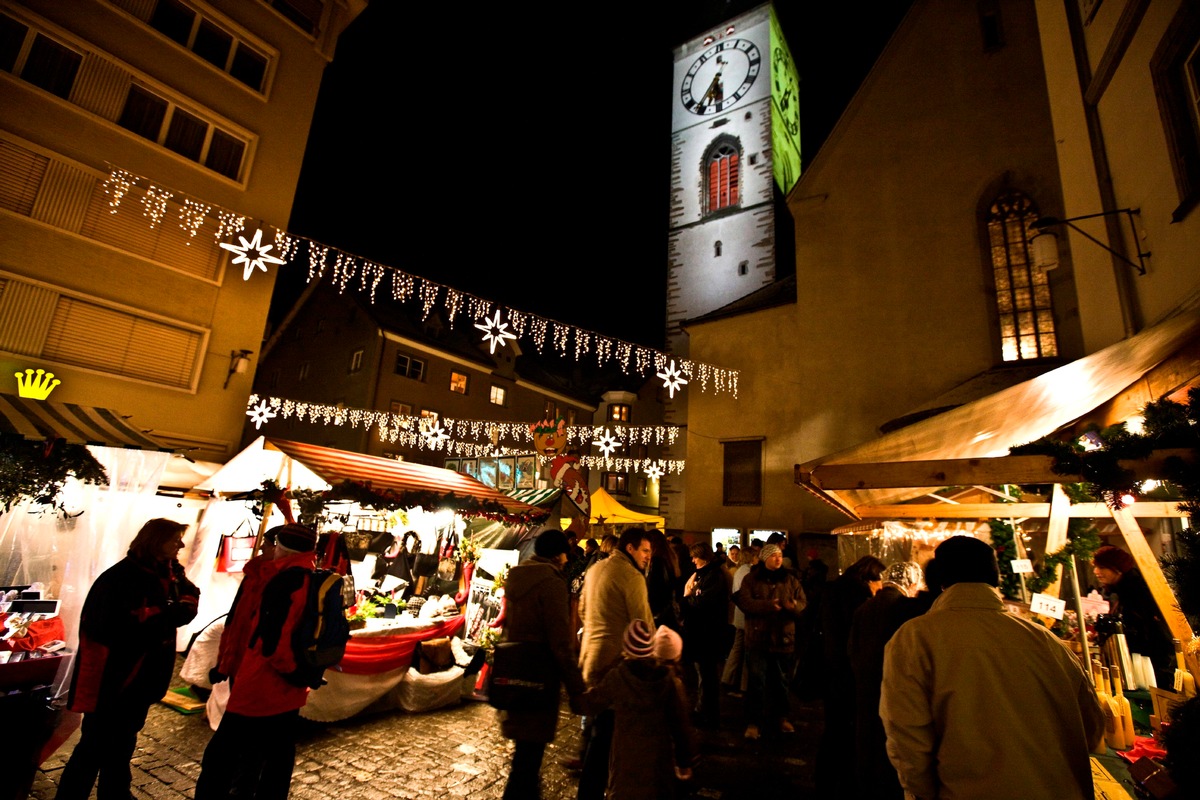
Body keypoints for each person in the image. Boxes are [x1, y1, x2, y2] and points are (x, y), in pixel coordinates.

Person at [881, 535, 1105, 800]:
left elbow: (907, 739)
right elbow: (1092, 729)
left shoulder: (915, 638)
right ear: (994, 576)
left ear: (939, 577)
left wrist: (923, 793)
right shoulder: (1048, 641)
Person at [58, 518, 200, 800]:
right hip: (116, 679)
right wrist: (163, 617)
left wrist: (171, 612)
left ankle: (115, 792)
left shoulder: (168, 572)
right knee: (94, 744)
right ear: (155, 541)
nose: (181, 545)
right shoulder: (120, 579)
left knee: (124, 739)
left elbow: (189, 596)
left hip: (143, 679)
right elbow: (107, 629)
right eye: (175, 540)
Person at [195, 523, 324, 800]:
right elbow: (239, 624)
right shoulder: (266, 574)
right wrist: (226, 665)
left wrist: (290, 674)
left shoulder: (290, 580)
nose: (264, 547)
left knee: (226, 756)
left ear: (280, 546)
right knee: (266, 755)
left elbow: (272, 642)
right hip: (259, 679)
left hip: (264, 684)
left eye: (269, 542)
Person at [497, 529, 586, 799]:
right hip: (539, 671)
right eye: (565, 555)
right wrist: (575, 688)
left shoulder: (517, 575)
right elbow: (560, 640)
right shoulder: (551, 583)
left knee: (525, 749)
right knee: (528, 754)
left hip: (514, 667)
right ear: (558, 555)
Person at [847, 560, 941, 799]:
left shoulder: (865, 607)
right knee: (888, 749)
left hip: (864, 686)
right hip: (892, 685)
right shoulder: (907, 609)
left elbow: (852, 648)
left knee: (867, 744)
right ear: (910, 583)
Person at [576, 527, 655, 800]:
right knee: (606, 735)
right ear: (630, 548)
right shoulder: (632, 576)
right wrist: (655, 656)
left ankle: (589, 780)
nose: (648, 556)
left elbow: (583, 610)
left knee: (597, 726)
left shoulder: (596, 568)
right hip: (616, 665)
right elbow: (643, 624)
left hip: (590, 658)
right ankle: (595, 790)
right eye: (645, 550)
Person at [579, 620, 698, 800]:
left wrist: (574, 686)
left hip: (624, 762)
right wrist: (684, 762)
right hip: (658, 764)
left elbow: (590, 703)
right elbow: (680, 726)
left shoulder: (617, 676)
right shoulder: (668, 682)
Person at [815, 554, 885, 797]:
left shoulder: (835, 589)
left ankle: (825, 781)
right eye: (879, 582)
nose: (881, 588)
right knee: (844, 731)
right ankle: (841, 783)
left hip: (831, 668)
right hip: (845, 672)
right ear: (870, 578)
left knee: (834, 729)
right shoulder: (857, 599)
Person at [733, 542, 806, 739]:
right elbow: (745, 602)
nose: (778, 558)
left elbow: (803, 603)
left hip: (783, 638)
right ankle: (753, 721)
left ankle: (781, 717)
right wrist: (766, 606)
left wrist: (793, 606)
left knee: (781, 681)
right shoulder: (751, 579)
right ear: (765, 558)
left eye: (780, 555)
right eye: (774, 555)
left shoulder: (790, 580)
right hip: (758, 637)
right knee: (756, 681)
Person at [1091, 544, 1175, 687]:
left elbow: (1140, 627)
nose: (1096, 571)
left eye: (1102, 567)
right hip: (1146, 658)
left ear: (1117, 569)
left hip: (1152, 661)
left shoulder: (1135, 590)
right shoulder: (1121, 589)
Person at [681, 542, 730, 727]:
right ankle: (703, 710)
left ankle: (708, 714)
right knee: (705, 673)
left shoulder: (713, 576)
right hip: (704, 631)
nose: (693, 560)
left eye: (695, 557)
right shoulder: (706, 574)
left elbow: (703, 603)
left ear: (704, 557)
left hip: (708, 632)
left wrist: (689, 595)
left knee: (707, 674)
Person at [721, 545, 759, 696]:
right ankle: (743, 685)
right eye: (756, 556)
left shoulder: (739, 571)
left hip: (738, 615)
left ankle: (727, 678)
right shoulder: (749, 572)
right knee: (747, 651)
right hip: (747, 616)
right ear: (751, 557)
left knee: (737, 649)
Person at [645, 529, 682, 632]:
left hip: (658, 612)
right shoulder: (670, 557)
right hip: (668, 610)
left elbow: (653, 589)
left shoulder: (656, 561)